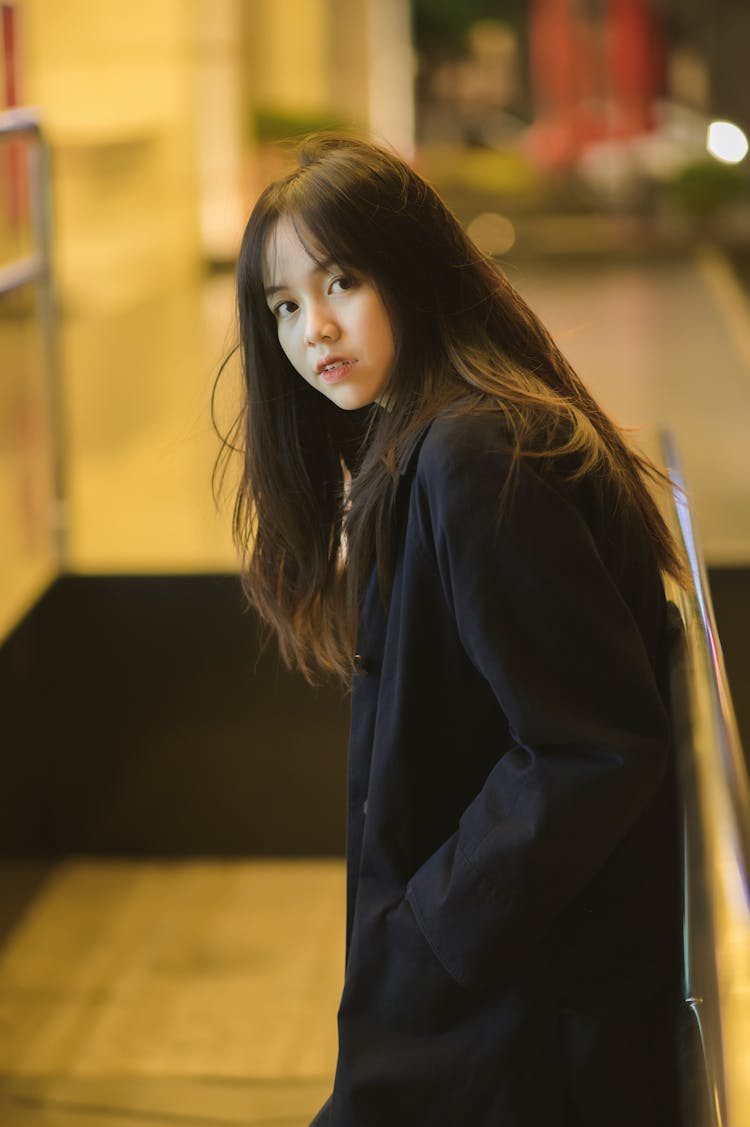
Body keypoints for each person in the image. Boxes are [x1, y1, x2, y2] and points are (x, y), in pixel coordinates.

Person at [226, 133, 686, 1126]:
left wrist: (427, 936)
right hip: (492, 985)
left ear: (414, 267)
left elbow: (591, 745)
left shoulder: (477, 452)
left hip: (517, 1013)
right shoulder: (428, 433)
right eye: (286, 306)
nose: (315, 328)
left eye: (341, 279)